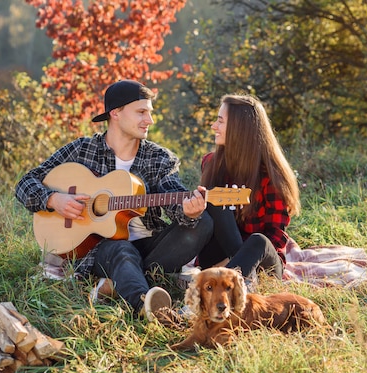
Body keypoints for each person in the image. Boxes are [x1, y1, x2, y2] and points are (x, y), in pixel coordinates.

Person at [15, 80, 213, 321]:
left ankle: (120, 280)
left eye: (149, 113)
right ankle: (147, 306)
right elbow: (26, 182)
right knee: (120, 248)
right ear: (116, 113)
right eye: (141, 112)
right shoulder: (82, 149)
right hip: (105, 248)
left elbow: (173, 194)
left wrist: (189, 212)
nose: (149, 120)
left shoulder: (160, 158)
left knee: (203, 222)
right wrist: (54, 199)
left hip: (151, 247)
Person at [197, 94, 301, 290]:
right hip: (222, 258)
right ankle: (233, 281)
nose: (214, 126)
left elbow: (276, 236)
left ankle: (224, 288)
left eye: (220, 121)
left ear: (240, 129)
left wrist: (239, 259)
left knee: (258, 241)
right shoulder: (211, 163)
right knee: (213, 205)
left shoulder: (271, 175)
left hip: (262, 265)